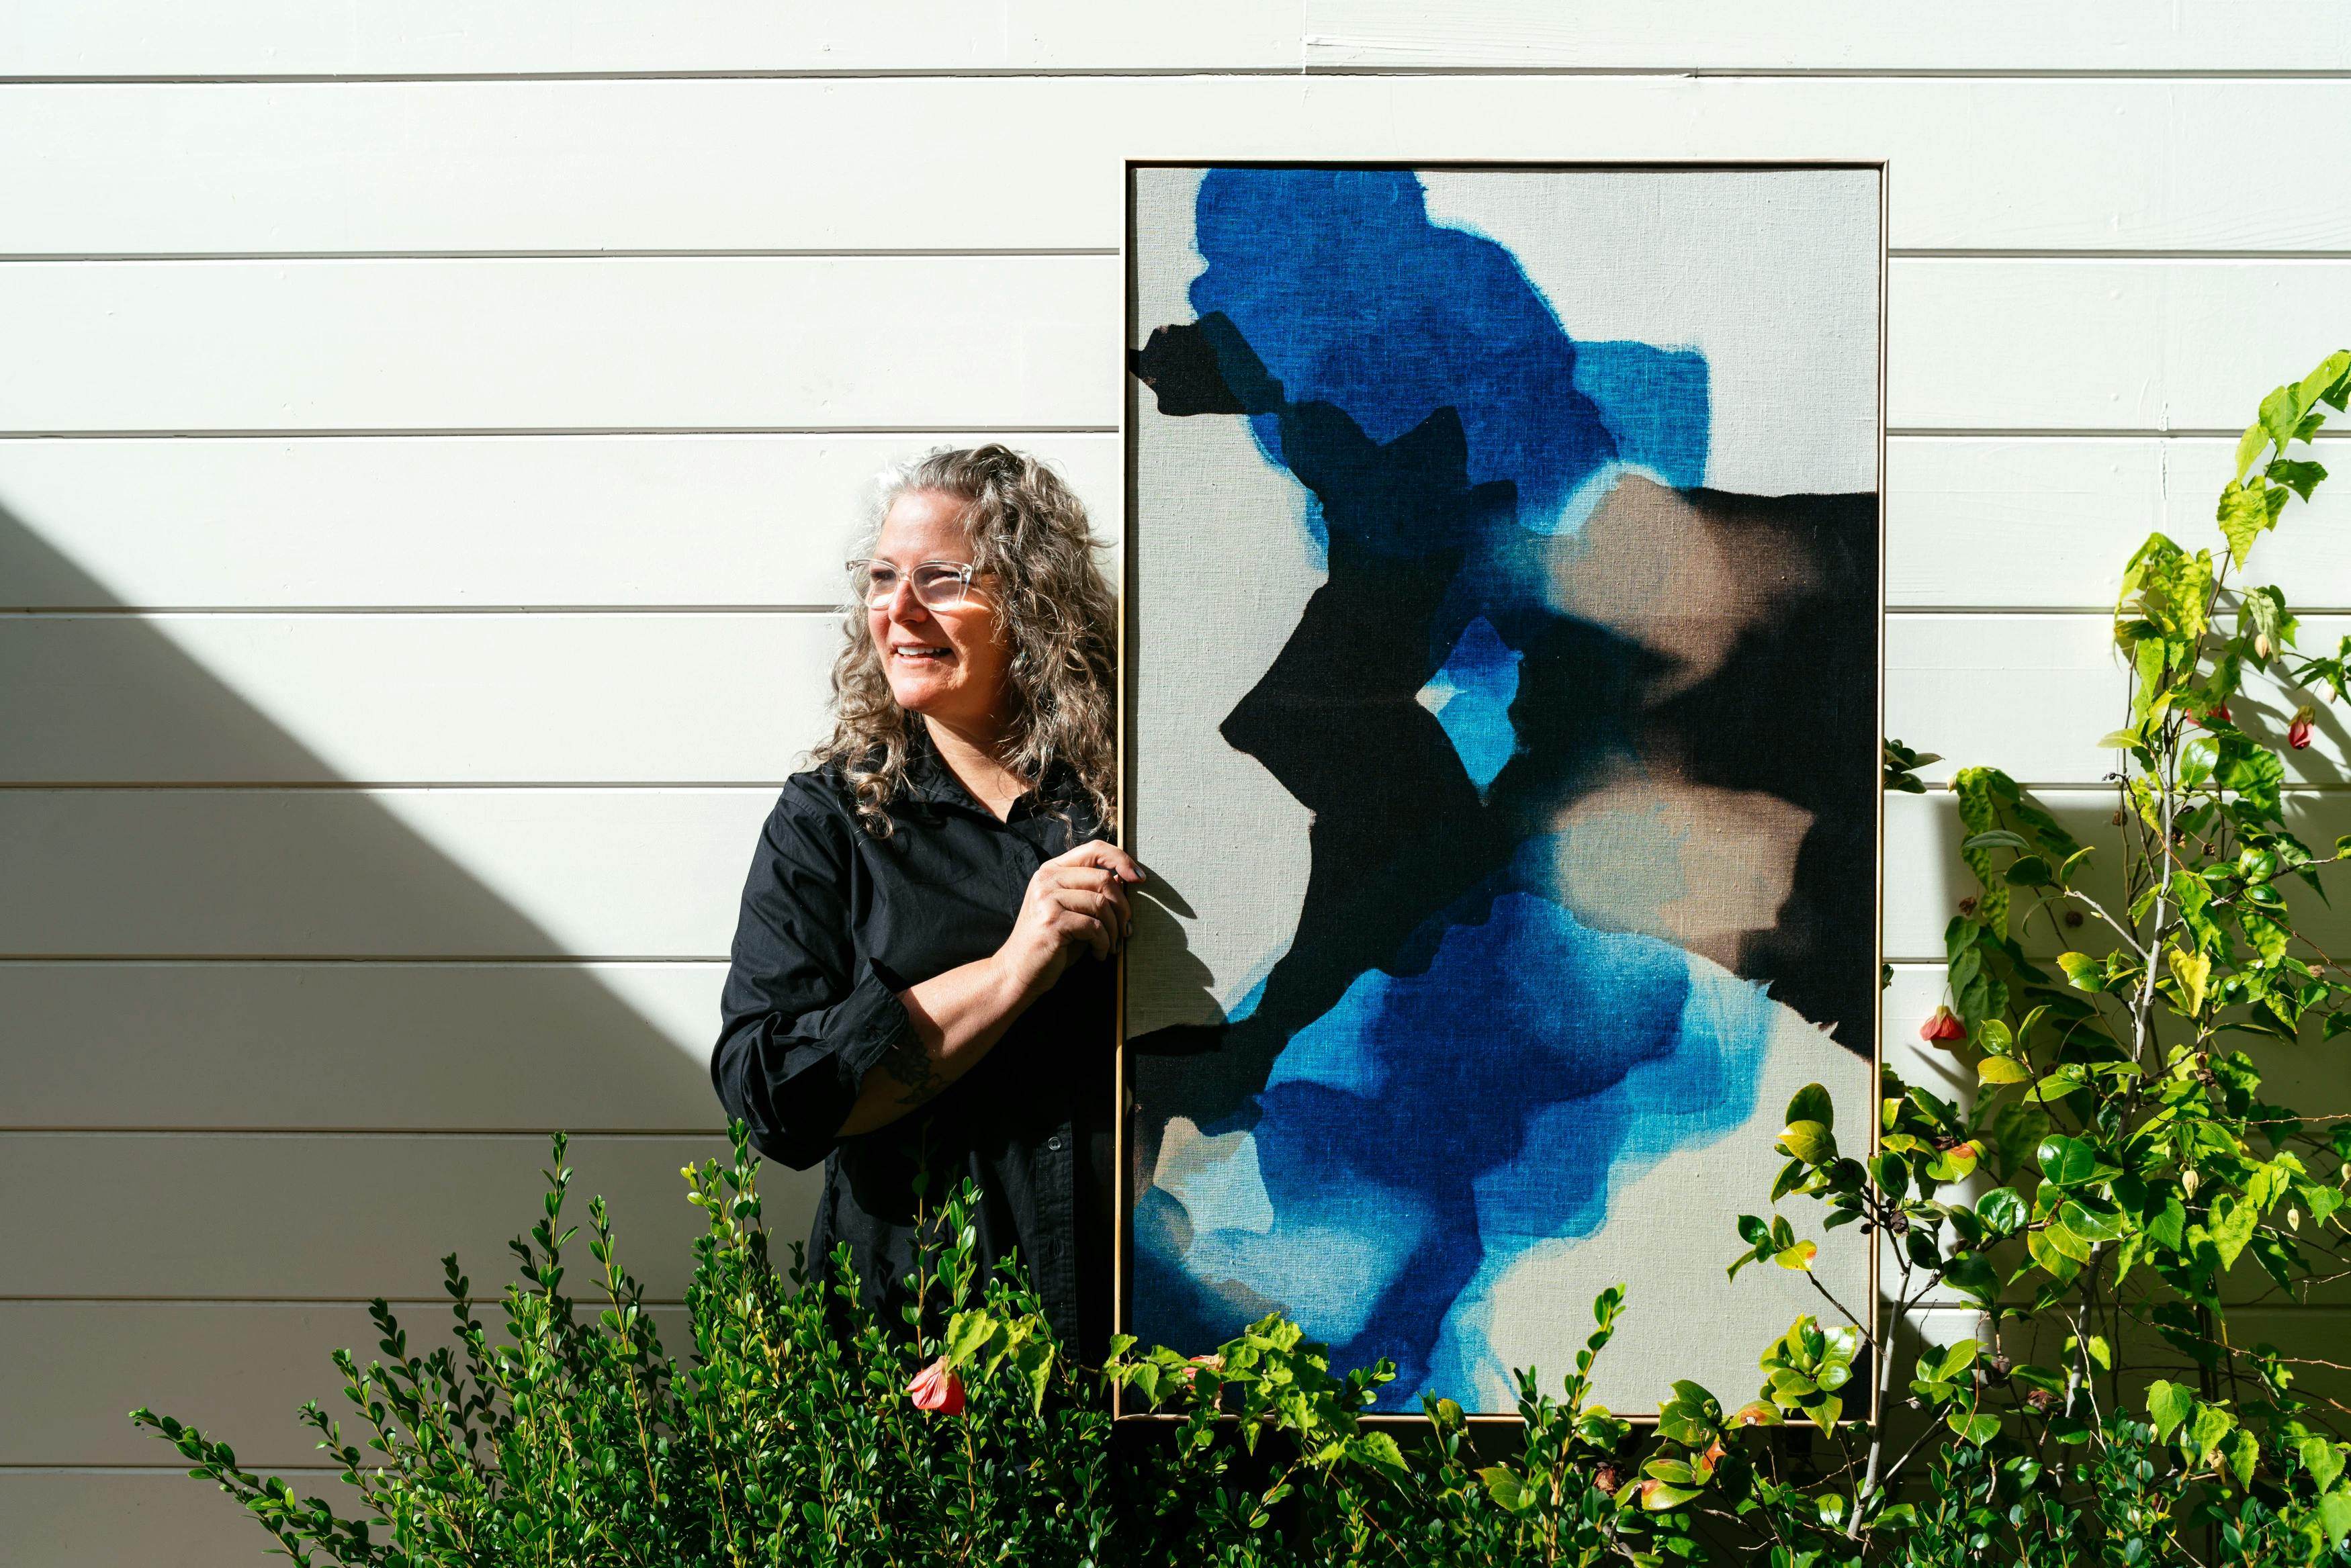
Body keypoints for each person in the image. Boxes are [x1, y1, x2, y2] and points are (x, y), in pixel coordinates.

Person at [709, 445, 1138, 1360]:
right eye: (882, 580)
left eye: (940, 580)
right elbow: (776, 1095)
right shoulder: (830, 823)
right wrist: (1011, 968)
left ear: (1032, 601)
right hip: (915, 1356)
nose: (898, 613)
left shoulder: (1130, 797)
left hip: (1146, 1347)